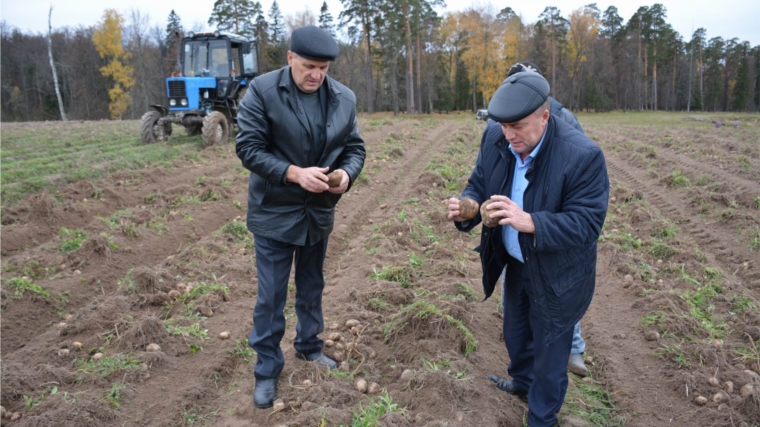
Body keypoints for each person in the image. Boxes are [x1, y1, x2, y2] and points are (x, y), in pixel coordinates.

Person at [447, 72, 609, 427]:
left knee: (551, 357)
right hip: (517, 264)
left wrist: (531, 221)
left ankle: (542, 418)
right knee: (516, 335)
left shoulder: (582, 155)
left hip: (559, 273)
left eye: (517, 126)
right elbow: (479, 180)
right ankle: (521, 385)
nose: (509, 135)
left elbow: (587, 224)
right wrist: (467, 204)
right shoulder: (496, 137)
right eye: (503, 126)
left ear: (545, 116)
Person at [235, 25, 366, 409]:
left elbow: (354, 149)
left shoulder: (344, 98)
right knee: (271, 296)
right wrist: (294, 173)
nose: (316, 75)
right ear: (290, 57)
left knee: (312, 286)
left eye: (323, 68)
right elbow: (248, 148)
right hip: (275, 212)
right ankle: (266, 369)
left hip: (318, 213)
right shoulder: (262, 91)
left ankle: (309, 346)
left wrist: (345, 175)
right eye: (309, 66)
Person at [502, 61, 589, 377]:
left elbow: (577, 171)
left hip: (550, 223)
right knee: (515, 298)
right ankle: (525, 355)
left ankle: (574, 351)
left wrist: (541, 218)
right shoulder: (507, 127)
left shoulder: (564, 120)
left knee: (558, 297)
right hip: (518, 226)